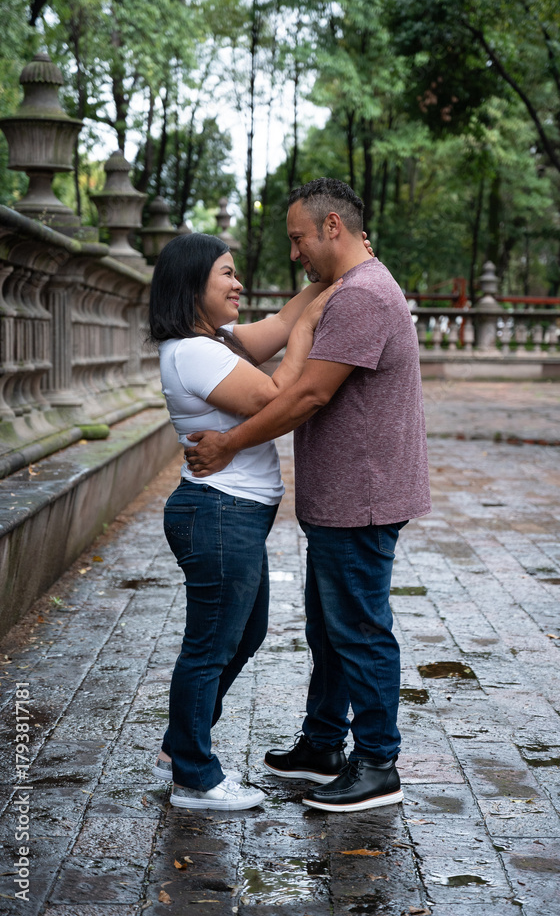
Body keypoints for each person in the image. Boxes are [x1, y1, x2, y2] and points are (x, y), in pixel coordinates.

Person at [184, 179, 431, 813]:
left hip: (362, 496)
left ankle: (378, 763)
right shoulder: (343, 288)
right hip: (341, 495)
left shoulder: (364, 297)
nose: (295, 253)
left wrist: (230, 443)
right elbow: (262, 337)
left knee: (360, 630)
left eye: (299, 238)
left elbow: (307, 394)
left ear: (331, 229)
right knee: (330, 630)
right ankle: (323, 745)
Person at [148, 232, 342, 811]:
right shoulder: (195, 352)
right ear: (192, 286)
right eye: (226, 275)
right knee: (209, 645)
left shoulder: (220, 341)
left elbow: (282, 319)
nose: (239, 284)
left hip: (230, 513)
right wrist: (312, 328)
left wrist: (339, 274)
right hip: (217, 512)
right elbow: (280, 394)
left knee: (244, 633)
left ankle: (182, 742)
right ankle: (196, 778)